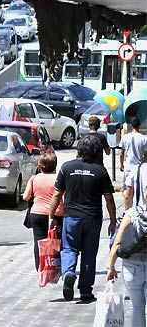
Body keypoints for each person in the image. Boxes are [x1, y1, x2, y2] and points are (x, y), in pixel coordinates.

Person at [48, 134, 117, 302]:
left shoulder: (67, 167)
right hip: (93, 218)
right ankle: (86, 291)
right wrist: (113, 220)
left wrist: (52, 216)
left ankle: (69, 272)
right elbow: (109, 199)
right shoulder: (100, 171)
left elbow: (57, 195)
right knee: (89, 253)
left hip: (71, 217)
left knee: (69, 248)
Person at [106, 162, 147, 327]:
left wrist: (110, 267)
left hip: (132, 267)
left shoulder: (132, 214)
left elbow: (117, 242)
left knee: (137, 307)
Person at [23, 152, 64, 271]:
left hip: (37, 213)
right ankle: (55, 267)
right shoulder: (59, 178)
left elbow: (26, 197)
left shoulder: (34, 178)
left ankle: (40, 268)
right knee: (56, 240)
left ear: (40, 166)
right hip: (57, 214)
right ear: (55, 165)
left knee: (39, 241)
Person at [121, 117, 147, 209]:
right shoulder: (144, 138)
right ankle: (138, 210)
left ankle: (126, 211)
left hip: (128, 167)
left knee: (127, 190)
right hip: (139, 168)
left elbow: (122, 153)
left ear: (131, 125)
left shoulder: (125, 137)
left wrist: (121, 165)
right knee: (139, 190)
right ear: (139, 125)